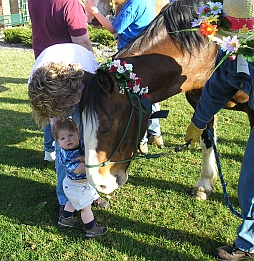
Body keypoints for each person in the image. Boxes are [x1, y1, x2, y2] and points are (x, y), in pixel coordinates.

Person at [184, 0, 254, 260]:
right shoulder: (229, 51)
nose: (236, 41)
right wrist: (198, 122)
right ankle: (251, 243)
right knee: (249, 184)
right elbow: (217, 87)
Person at [28, 43, 110, 218]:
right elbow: (53, 121)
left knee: (88, 143)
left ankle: (90, 192)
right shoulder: (38, 86)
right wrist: (61, 135)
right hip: (58, 94)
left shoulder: (88, 75)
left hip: (80, 88)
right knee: (64, 148)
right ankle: (65, 199)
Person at [85, 0, 164, 151]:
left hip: (131, 55)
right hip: (144, 52)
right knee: (148, 94)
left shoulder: (134, 4)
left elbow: (114, 29)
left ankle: (142, 139)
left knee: (135, 97)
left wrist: (94, 11)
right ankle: (155, 133)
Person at [28, 0, 93, 162]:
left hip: (43, 67)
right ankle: (69, 171)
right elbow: (82, 42)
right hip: (67, 73)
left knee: (49, 110)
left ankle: (49, 149)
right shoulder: (70, 3)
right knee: (69, 124)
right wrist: (91, 64)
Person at [51, 118, 107, 237]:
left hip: (80, 185)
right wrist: (92, 164)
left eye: (71, 135)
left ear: (78, 134)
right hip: (76, 185)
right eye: (62, 138)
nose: (68, 140)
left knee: (73, 201)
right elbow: (77, 169)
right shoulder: (64, 155)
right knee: (86, 208)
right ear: (58, 142)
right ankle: (91, 228)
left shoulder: (81, 144)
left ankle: (65, 219)